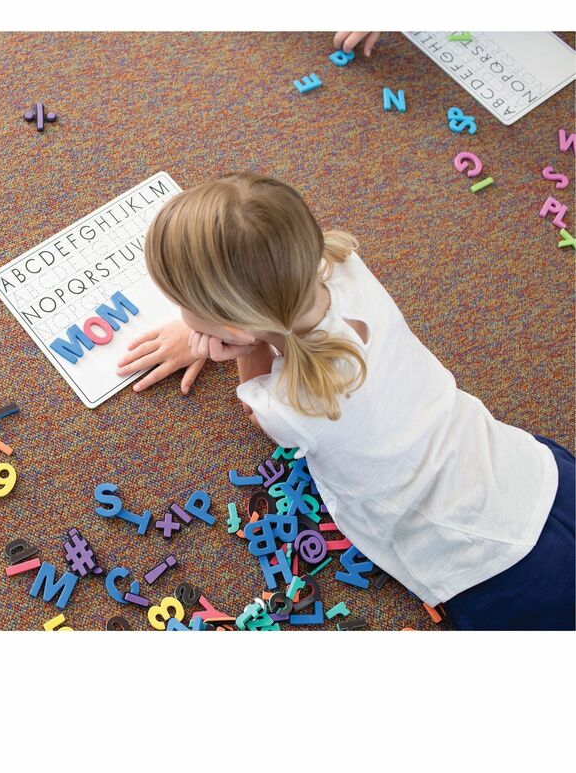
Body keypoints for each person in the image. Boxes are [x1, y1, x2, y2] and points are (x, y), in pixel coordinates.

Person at [117, 172, 574, 630]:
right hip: (533, 472)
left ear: (233, 330)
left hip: (485, 565)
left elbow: (256, 414)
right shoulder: (343, 264)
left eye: (183, 305)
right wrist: (221, 324)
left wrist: (247, 347)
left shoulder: (291, 404)